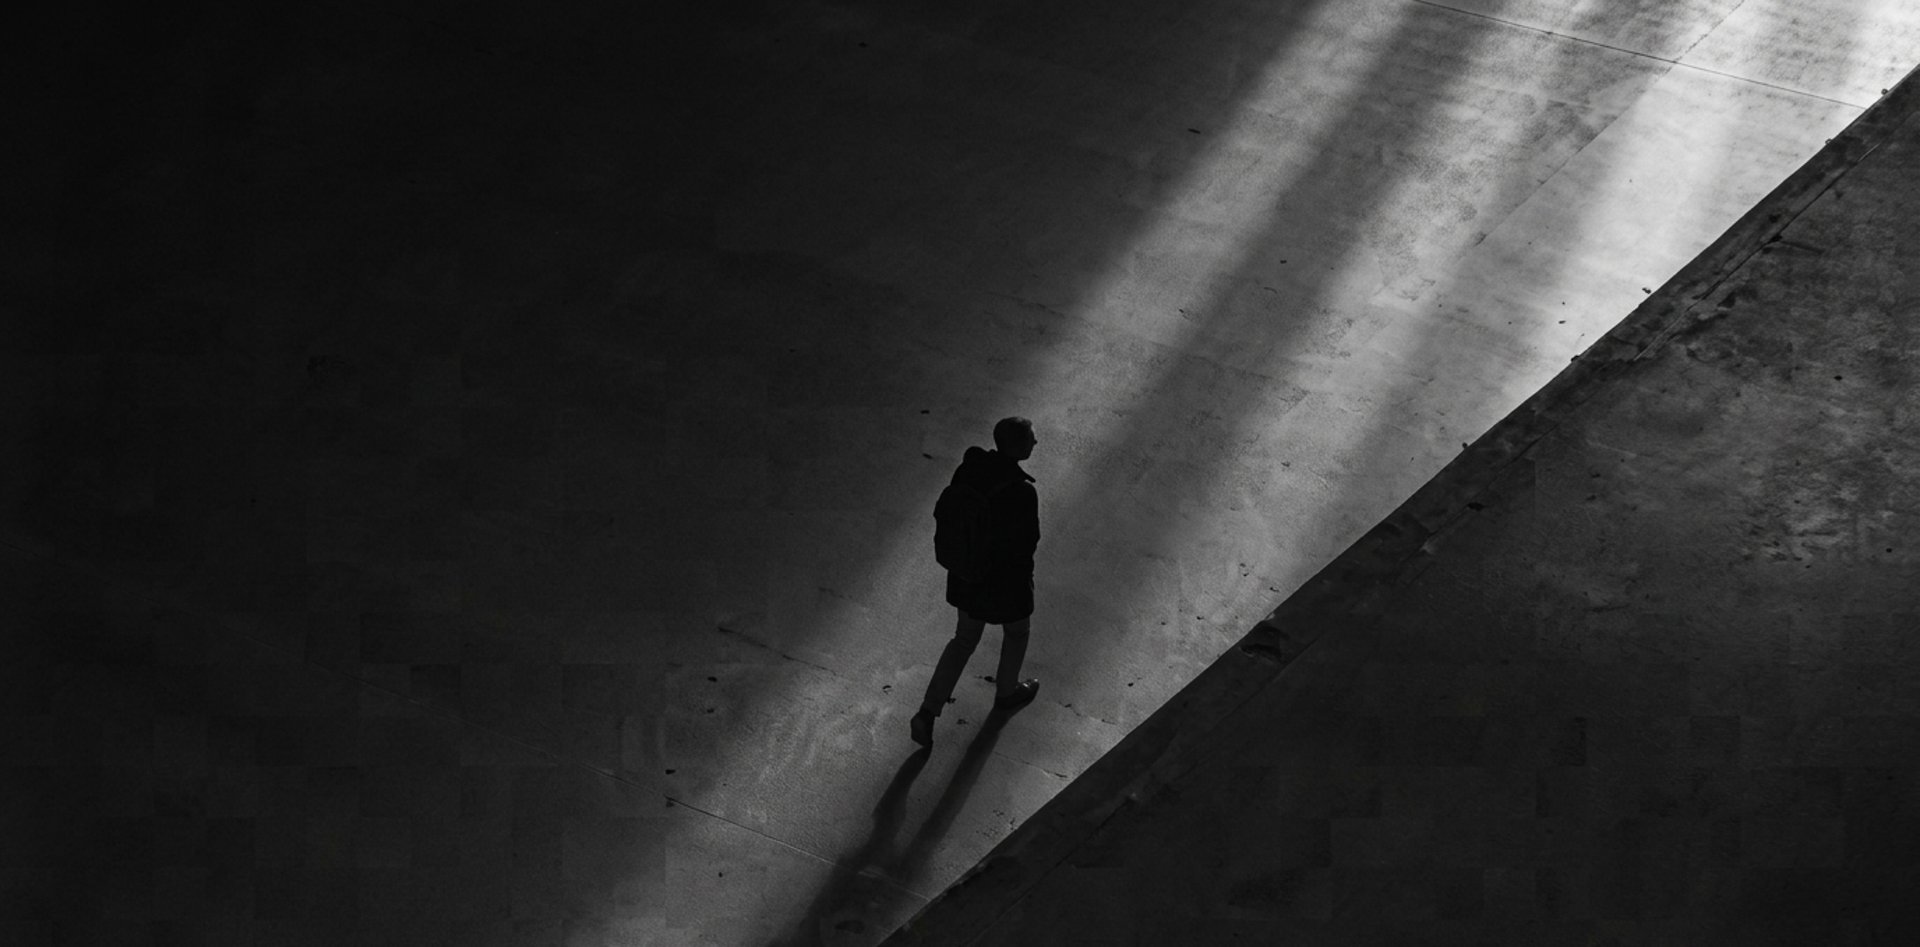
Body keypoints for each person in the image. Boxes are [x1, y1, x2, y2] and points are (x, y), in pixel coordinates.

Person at [912, 417, 1042, 747]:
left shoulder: (970, 469)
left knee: (963, 640)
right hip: (1004, 584)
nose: (1036, 443)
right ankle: (1006, 691)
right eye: (1031, 438)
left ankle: (927, 711)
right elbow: (1027, 543)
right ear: (1018, 446)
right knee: (1017, 631)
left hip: (967, 574)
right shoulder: (1021, 492)